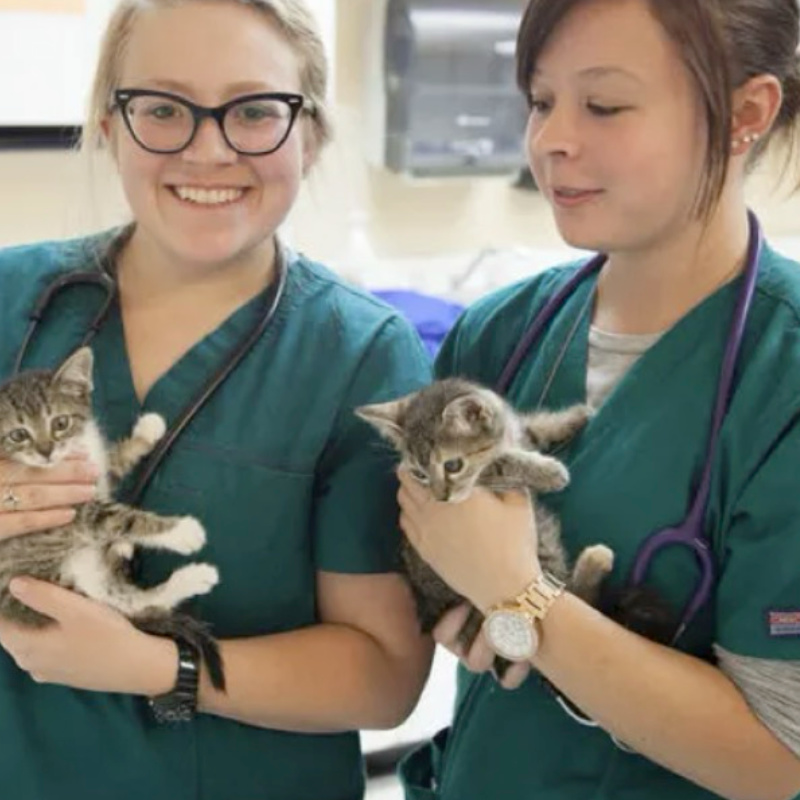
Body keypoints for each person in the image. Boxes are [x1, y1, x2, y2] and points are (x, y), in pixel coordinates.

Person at [0, 2, 433, 799]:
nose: (208, 149)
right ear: (108, 125)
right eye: (162, 109)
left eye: (254, 111)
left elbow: (384, 675)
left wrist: (160, 667)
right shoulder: (10, 299)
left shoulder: (359, 357)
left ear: (312, 134)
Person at [396, 0, 800, 798]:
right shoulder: (499, 334)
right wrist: (459, 608)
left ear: (744, 114)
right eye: (541, 101)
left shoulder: (780, 378)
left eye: (604, 105)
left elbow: (778, 757)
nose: (550, 140)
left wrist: (522, 599)